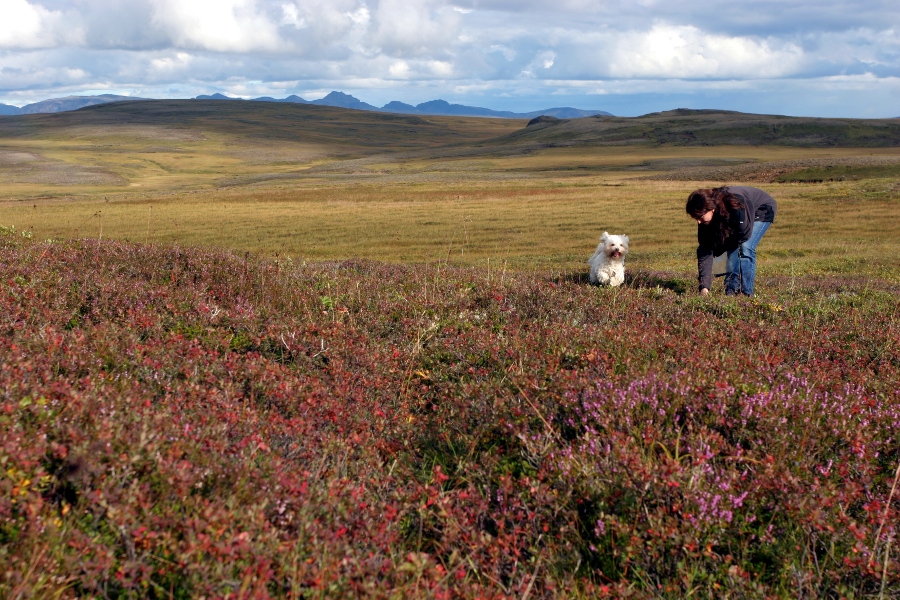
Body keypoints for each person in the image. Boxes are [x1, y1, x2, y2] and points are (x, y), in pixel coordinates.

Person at [685, 186, 777, 297]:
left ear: (711, 209)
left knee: (745, 247)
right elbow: (705, 249)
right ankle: (731, 291)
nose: (698, 222)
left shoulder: (734, 204)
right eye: (696, 218)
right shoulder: (705, 219)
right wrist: (704, 287)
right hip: (738, 214)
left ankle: (746, 293)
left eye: (700, 217)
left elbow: (743, 234)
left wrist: (720, 248)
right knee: (731, 245)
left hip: (762, 209)